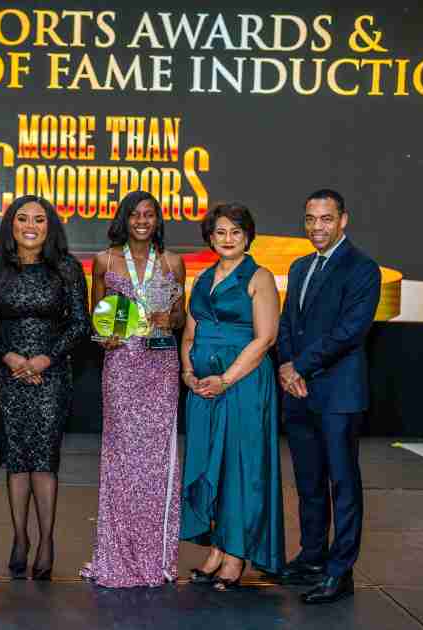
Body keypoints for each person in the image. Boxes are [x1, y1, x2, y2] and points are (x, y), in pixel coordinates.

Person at [0, 195, 90, 580]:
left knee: (44, 458)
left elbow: (79, 325)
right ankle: (20, 537)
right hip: (7, 376)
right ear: (11, 225)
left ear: (49, 226)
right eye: (22, 218)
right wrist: (10, 359)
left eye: (39, 219)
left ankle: (46, 541)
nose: (31, 226)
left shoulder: (68, 270)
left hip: (51, 375)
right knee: (17, 458)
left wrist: (44, 359)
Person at [277, 189, 380, 604]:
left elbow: (349, 331)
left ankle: (340, 573)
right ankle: (313, 556)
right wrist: (287, 367)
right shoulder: (300, 267)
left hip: (338, 394)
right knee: (309, 482)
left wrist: (300, 365)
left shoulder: (362, 269)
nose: (316, 227)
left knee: (343, 483)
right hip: (299, 392)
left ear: (343, 221)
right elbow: (288, 323)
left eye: (325, 219)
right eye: (310, 219)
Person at [80, 191, 185, 588]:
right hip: (122, 364)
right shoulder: (104, 260)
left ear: (158, 220)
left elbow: (180, 316)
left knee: (158, 462)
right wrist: (103, 336)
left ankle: (156, 557)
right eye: (135, 214)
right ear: (123, 219)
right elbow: (97, 317)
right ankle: (116, 554)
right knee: (122, 459)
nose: (142, 220)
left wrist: (169, 316)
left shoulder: (173, 262)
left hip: (160, 364)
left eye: (149, 215)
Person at [180, 203, 285, 590]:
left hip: (242, 386)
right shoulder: (201, 279)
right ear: (210, 237)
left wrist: (225, 379)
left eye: (235, 233)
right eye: (220, 232)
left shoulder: (259, 277)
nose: (227, 239)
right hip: (203, 390)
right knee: (213, 467)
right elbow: (189, 335)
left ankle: (237, 553)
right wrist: (189, 374)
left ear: (247, 237)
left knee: (241, 468)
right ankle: (217, 547)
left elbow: (266, 338)